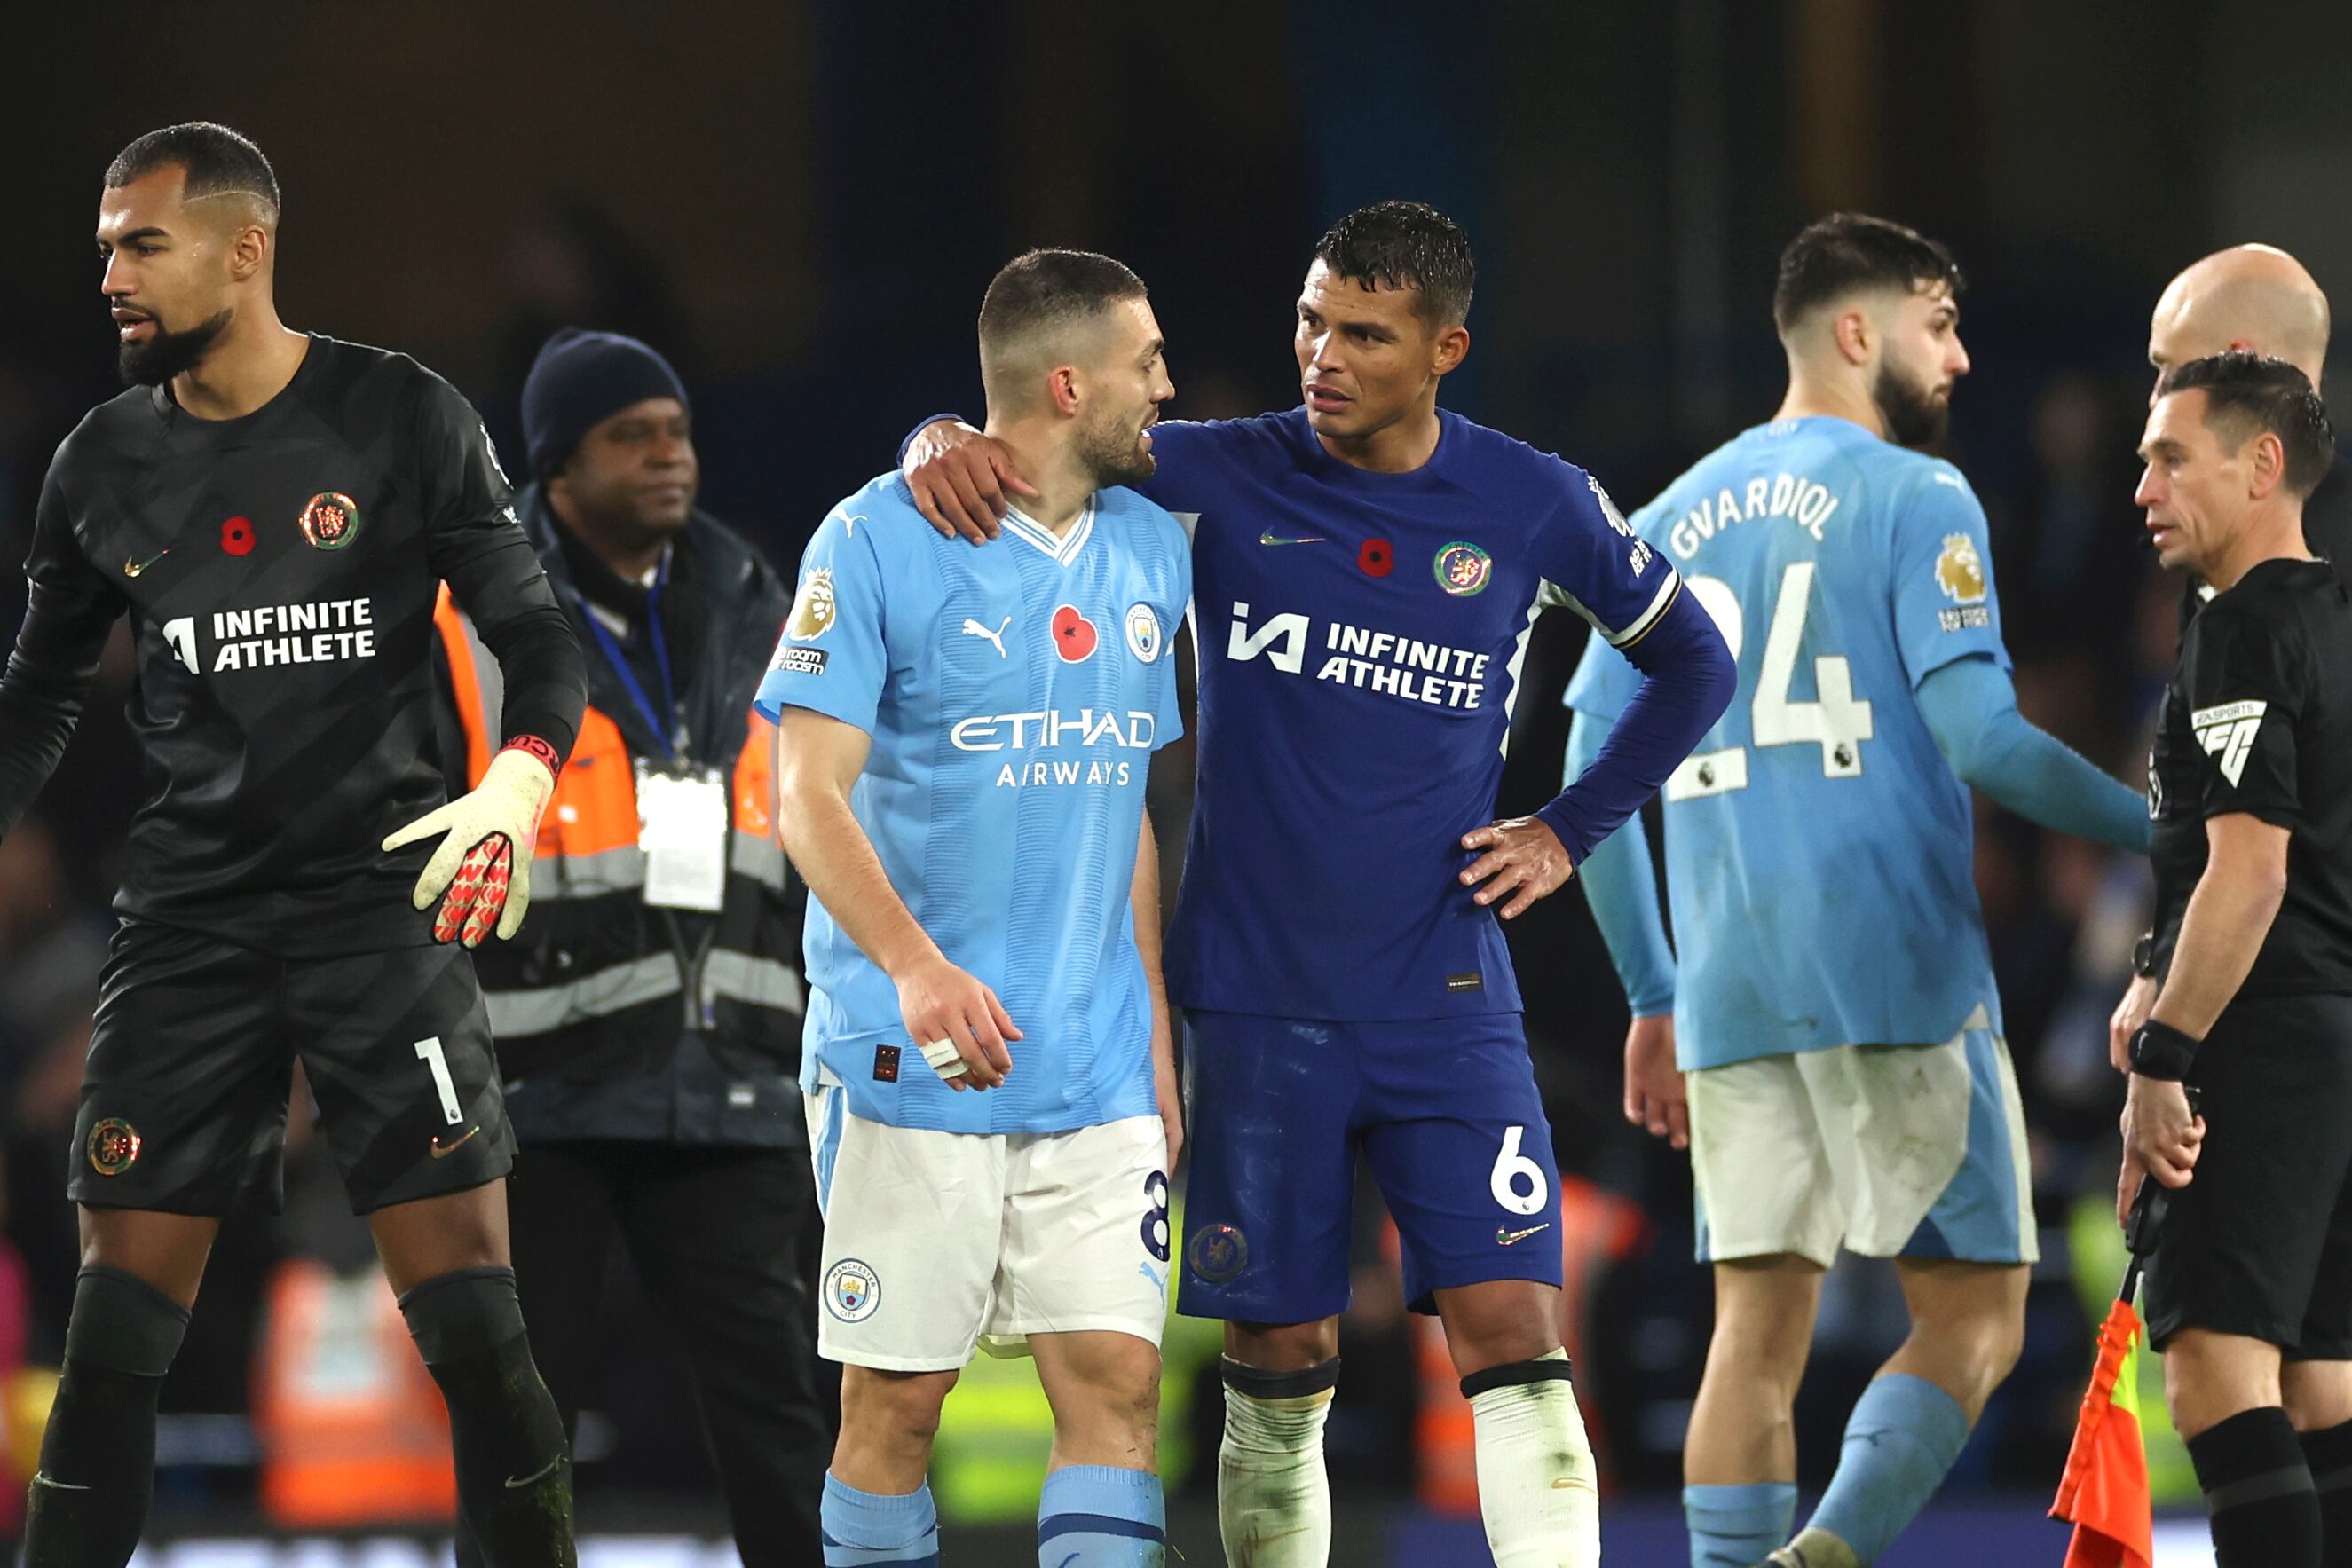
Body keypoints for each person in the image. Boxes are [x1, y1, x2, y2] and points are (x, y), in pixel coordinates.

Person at [904, 201, 1737, 1568]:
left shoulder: (1531, 499)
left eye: (1364, 335)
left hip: (1443, 990)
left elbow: (1694, 660)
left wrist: (1567, 829)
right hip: (1253, 997)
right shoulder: (1219, 471)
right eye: (1310, 321)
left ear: (1444, 349)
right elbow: (1026, 447)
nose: (1322, 356)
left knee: (1515, 1335)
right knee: (1278, 1359)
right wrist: (932, 438)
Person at [0, 124, 588, 1565]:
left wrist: (519, 779)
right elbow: (42, 692)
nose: (112, 277)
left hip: (380, 916)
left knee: (473, 1329)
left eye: (143, 246)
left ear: (244, 249)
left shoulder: (401, 415)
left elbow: (534, 635)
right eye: (104, 250)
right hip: (188, 928)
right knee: (112, 1336)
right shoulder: (102, 460)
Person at [1563, 213, 2150, 1568]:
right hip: (1894, 971)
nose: (1957, 358)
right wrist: (2157, 831)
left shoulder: (1665, 519)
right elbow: (1984, 742)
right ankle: (1823, 1555)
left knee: (1751, 1339)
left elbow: (1585, 772)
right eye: (1936, 325)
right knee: (1975, 1317)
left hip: (1728, 988)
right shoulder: (1916, 496)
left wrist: (1652, 993)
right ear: (1852, 330)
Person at [767, 248, 1188, 1568]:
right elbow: (804, 798)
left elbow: (1125, 808)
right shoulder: (875, 538)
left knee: (1119, 1392)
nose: (1167, 386)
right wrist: (915, 967)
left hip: (1095, 1066)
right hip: (912, 1060)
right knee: (894, 1408)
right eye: (1146, 362)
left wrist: (1152, 1038)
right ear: (1068, 384)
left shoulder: (1150, 551)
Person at [436, 329, 827, 1565]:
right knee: (520, 1423)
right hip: (532, 1089)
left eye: (678, 432)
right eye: (630, 436)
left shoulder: (762, 602)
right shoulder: (465, 619)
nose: (669, 456)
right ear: (557, 469)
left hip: (727, 1078)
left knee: (781, 1417)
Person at [2118, 352, 2352, 1568]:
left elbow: (2248, 872)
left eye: (2170, 457)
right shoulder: (2334, 616)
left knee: (2216, 1378)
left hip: (2262, 1039)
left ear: (2262, 465)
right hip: (2336, 1040)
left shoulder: (2242, 626)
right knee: (2321, 1388)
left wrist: (2163, 1057)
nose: (2143, 486)